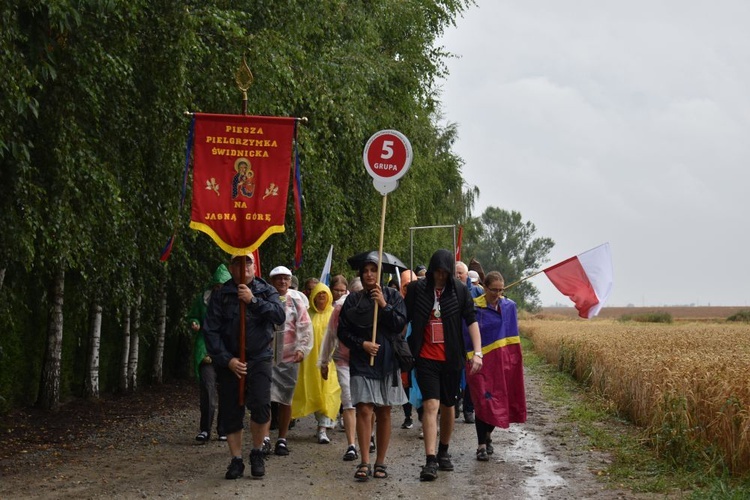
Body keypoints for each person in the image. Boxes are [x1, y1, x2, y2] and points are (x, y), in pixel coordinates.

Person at [203, 253, 285, 480]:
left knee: (260, 406)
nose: (243, 266)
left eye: (247, 261)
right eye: (237, 262)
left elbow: (279, 315)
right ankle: (236, 459)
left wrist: (253, 300)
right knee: (231, 410)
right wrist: (227, 360)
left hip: (259, 358)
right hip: (231, 362)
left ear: (254, 265)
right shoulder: (221, 295)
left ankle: (257, 452)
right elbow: (210, 331)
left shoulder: (266, 290)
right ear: (231, 267)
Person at [404, 249, 483, 482]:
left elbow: (471, 320)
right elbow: (404, 318)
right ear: (431, 271)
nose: (440, 276)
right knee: (431, 405)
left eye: (444, 273)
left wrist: (477, 353)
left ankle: (444, 450)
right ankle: (429, 460)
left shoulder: (459, 291)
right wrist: (400, 349)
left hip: (451, 358)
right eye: (437, 272)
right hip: (425, 358)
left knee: (449, 406)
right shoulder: (417, 290)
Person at [337, 253, 408, 481]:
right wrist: (362, 344)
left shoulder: (393, 296)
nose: (369, 274)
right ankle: (365, 461)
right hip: (362, 360)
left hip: (387, 361)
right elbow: (343, 332)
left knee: (384, 411)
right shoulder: (352, 300)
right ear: (361, 274)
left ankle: (381, 462)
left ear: (380, 274)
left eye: (373, 270)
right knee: (364, 409)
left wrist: (384, 305)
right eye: (365, 270)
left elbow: (399, 324)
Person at [465, 271, 527, 461]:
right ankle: (481, 445)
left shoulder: (510, 307)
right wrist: (471, 357)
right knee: (483, 401)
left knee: (498, 400)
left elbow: (512, 337)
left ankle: (488, 434)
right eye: (494, 290)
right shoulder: (474, 308)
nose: (497, 294)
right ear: (484, 287)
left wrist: (513, 362)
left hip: (503, 362)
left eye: (501, 290)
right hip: (480, 362)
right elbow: (466, 335)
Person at [268, 265, 313, 457]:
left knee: (286, 399)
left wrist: (302, 348)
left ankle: (282, 438)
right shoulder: (265, 298)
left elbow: (305, 325)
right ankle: (265, 438)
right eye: (278, 279)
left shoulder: (296, 301)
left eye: (286, 278)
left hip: (289, 357)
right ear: (272, 281)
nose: (282, 282)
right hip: (267, 357)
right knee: (266, 398)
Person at [319, 275, 362, 461]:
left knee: (367, 403)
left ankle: (369, 437)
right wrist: (323, 361)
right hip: (344, 360)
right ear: (350, 292)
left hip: (366, 361)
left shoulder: (377, 304)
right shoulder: (340, 307)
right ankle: (351, 445)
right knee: (349, 400)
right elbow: (331, 335)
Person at [291, 282, 341, 444]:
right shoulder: (307, 314)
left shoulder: (335, 314)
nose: (321, 298)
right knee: (313, 391)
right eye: (318, 295)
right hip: (310, 362)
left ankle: (323, 428)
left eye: (324, 295)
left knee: (329, 392)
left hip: (331, 361)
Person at [186, 264, 231, 443]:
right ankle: (205, 429)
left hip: (227, 352)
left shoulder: (234, 301)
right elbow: (193, 316)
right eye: (217, 286)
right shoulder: (203, 299)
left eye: (223, 286)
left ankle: (223, 429)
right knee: (208, 389)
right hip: (205, 350)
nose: (219, 289)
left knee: (227, 392)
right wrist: (194, 322)